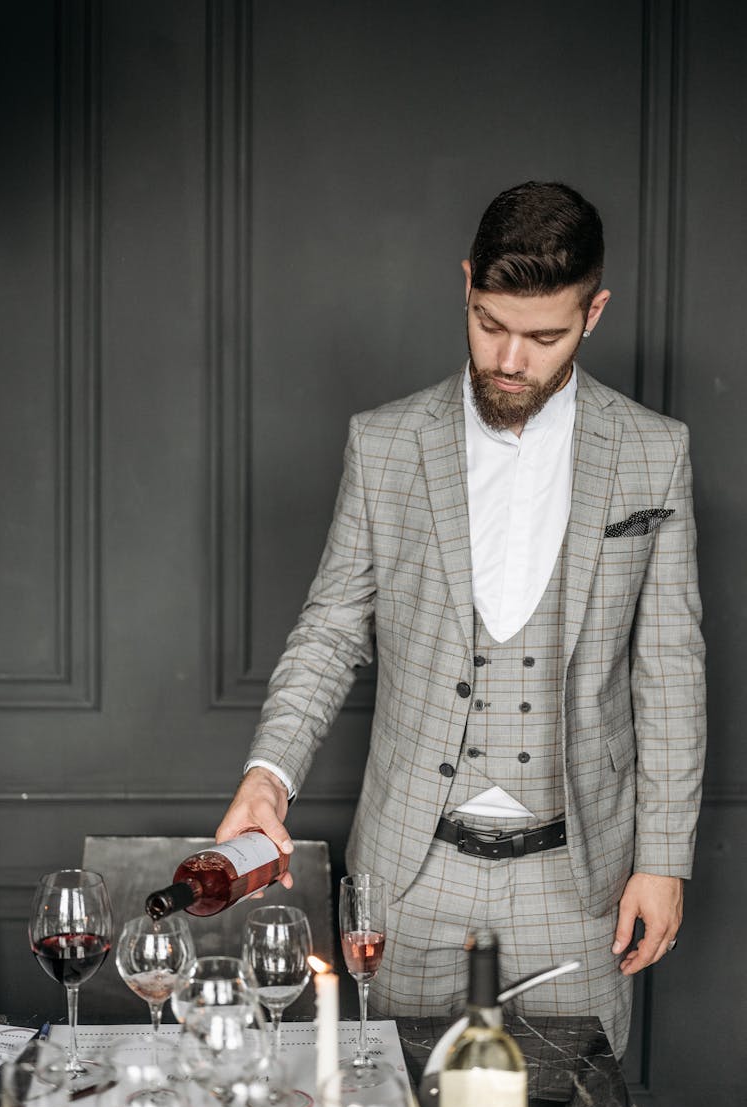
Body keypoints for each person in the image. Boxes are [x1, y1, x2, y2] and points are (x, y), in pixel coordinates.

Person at [216, 182, 706, 1057]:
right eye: (489, 322)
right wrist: (268, 774)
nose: (511, 357)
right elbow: (332, 629)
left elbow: (668, 669)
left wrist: (663, 858)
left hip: (578, 881)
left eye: (544, 335)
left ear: (593, 314)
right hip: (410, 878)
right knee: (389, 1106)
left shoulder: (652, 452)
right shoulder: (387, 444)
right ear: (467, 284)